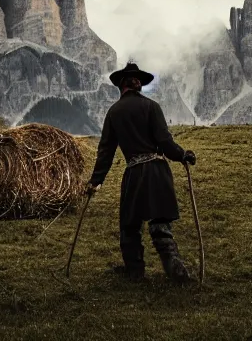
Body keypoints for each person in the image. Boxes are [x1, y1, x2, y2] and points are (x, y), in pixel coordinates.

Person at [85, 62, 198, 283]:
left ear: (121, 86)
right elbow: (165, 142)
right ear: (138, 85)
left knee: (130, 226)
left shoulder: (114, 113)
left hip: (134, 175)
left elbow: (106, 151)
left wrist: (95, 181)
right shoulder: (152, 107)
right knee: (160, 224)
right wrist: (182, 155)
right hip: (157, 172)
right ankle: (177, 272)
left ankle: (135, 273)